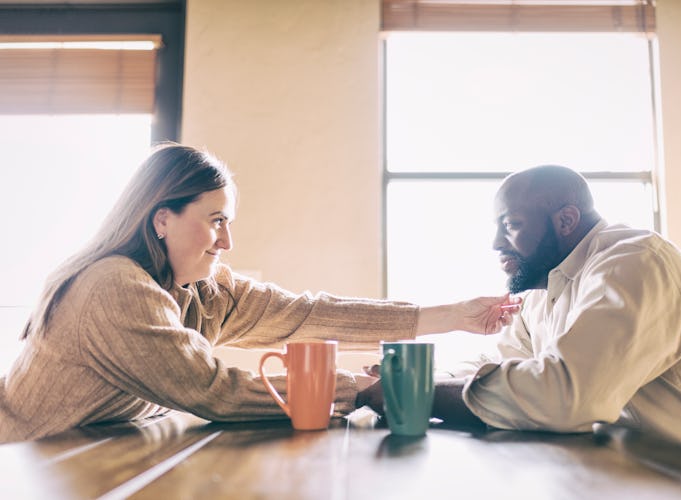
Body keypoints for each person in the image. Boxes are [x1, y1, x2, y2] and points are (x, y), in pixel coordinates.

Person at [0, 143, 519, 444]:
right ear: (162, 219)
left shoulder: (202, 289)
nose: (227, 241)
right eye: (215, 221)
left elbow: (309, 314)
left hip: (89, 456)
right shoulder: (114, 287)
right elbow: (214, 391)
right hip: (25, 463)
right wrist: (353, 391)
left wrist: (452, 315)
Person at [357, 165, 681, 458]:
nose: (496, 242)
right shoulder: (545, 288)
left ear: (566, 220)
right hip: (622, 468)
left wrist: (415, 395)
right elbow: (504, 362)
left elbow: (564, 397)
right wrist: (415, 377)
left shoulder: (634, 263)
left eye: (510, 225)